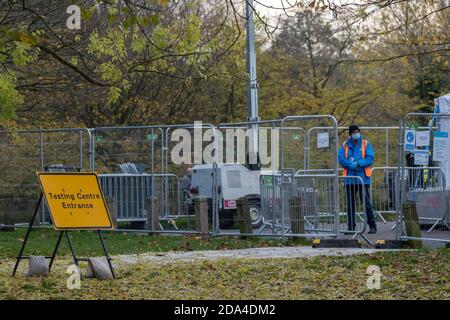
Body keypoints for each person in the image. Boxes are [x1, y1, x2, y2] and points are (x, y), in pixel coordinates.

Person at [338, 125, 377, 234]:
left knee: (366, 204)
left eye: (357, 131)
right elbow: (341, 159)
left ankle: (372, 226)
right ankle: (351, 227)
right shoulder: (345, 145)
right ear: (350, 134)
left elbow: (370, 159)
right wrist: (350, 164)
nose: (356, 133)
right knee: (350, 205)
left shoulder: (366, 144)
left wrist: (358, 163)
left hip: (362, 179)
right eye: (354, 132)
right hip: (350, 179)